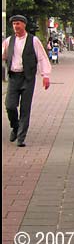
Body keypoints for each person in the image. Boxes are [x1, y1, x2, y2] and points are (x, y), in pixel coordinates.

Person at [2, 15, 51, 147]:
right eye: (13, 24)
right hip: (13, 77)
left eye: (18, 24)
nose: (15, 26)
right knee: (10, 105)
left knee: (25, 107)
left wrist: (45, 75)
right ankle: (15, 127)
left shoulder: (33, 40)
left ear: (24, 24)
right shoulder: (9, 41)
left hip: (27, 78)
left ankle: (21, 138)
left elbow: (42, 58)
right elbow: (3, 55)